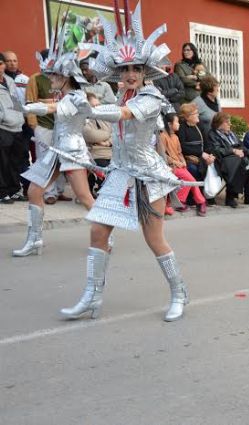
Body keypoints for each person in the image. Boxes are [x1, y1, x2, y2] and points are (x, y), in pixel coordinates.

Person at [60, 1, 196, 322]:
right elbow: (117, 111)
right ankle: (92, 296)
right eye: (125, 69)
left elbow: (123, 115)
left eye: (136, 69)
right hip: (120, 173)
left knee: (154, 239)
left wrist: (89, 110)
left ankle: (179, 292)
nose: (131, 74)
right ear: (119, 73)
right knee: (97, 232)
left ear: (145, 71)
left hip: (148, 176)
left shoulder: (150, 98)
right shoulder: (120, 94)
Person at [12, 36, 96, 257]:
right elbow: (52, 103)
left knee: (84, 196)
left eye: (53, 75)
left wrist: (27, 108)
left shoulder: (75, 97)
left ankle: (105, 233)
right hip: (57, 149)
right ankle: (35, 240)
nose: (49, 79)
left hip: (72, 150)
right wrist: (31, 105)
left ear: (65, 76)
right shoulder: (64, 94)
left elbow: (53, 108)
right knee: (34, 191)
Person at [25, 49, 68, 205]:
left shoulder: (63, 78)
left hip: (62, 126)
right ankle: (49, 192)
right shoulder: (35, 79)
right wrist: (33, 124)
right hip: (43, 125)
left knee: (62, 159)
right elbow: (30, 101)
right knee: (45, 159)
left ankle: (60, 191)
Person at [159, 112, 207, 216]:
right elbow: (162, 155)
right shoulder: (163, 136)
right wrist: (176, 162)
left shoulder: (175, 137)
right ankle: (201, 201)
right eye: (176, 122)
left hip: (179, 165)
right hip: (170, 167)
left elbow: (180, 152)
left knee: (188, 180)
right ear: (169, 124)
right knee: (191, 180)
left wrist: (182, 161)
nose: (179, 124)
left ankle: (178, 202)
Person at [206, 112, 249, 208]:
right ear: (219, 124)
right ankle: (230, 197)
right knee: (239, 164)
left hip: (237, 158)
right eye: (227, 122)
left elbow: (240, 145)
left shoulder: (231, 133)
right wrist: (233, 151)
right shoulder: (213, 134)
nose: (230, 124)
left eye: (229, 122)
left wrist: (241, 151)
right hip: (223, 160)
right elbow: (216, 150)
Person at [0, 52, 26, 204]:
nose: (1, 66)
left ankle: (14, 190)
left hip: (17, 126)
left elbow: (16, 100)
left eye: (1, 63)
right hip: (3, 128)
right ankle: (2, 192)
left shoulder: (9, 80)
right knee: (2, 163)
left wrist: (20, 117)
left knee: (16, 161)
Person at [82, 92, 112, 196]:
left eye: (98, 105)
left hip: (111, 153)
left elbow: (116, 134)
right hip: (94, 154)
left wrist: (105, 141)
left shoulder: (105, 118)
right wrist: (108, 134)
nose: (97, 108)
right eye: (94, 106)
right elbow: (89, 134)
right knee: (104, 167)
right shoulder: (83, 119)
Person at [177, 102, 212, 183]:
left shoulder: (199, 126)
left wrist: (209, 156)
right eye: (195, 113)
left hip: (202, 158)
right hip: (189, 159)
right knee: (194, 170)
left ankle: (208, 194)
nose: (198, 115)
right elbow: (182, 147)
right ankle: (196, 193)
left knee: (216, 166)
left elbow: (206, 143)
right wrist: (201, 153)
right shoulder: (182, 128)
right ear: (188, 117)